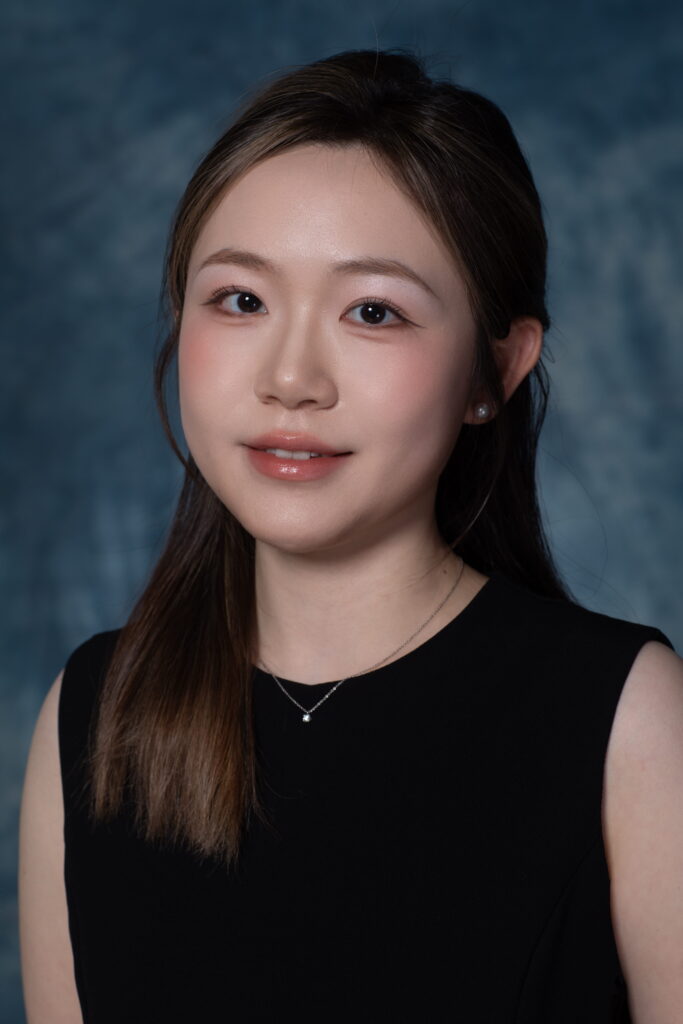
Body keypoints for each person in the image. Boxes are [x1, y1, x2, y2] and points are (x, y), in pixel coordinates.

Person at [18, 47, 683, 1023]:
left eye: (372, 311)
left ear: (491, 374)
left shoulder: (627, 719)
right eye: (240, 300)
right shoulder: (95, 716)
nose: (291, 376)